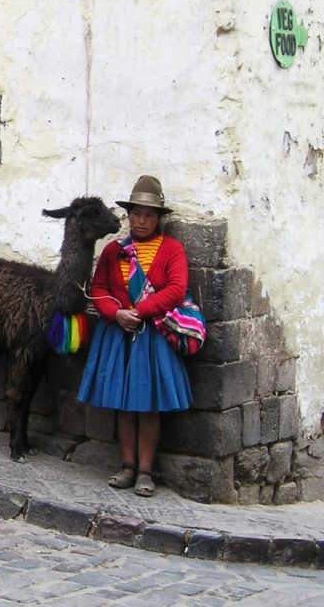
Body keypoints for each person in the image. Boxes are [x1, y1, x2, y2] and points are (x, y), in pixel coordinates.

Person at [78, 175, 193, 497]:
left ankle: (145, 470)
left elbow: (175, 289)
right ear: (128, 217)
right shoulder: (114, 251)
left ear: (158, 218)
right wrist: (115, 313)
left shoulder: (171, 250)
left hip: (151, 337)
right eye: (136, 214)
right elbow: (99, 288)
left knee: (147, 405)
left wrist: (139, 312)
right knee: (124, 406)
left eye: (149, 215)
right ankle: (127, 466)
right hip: (118, 334)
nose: (141, 221)